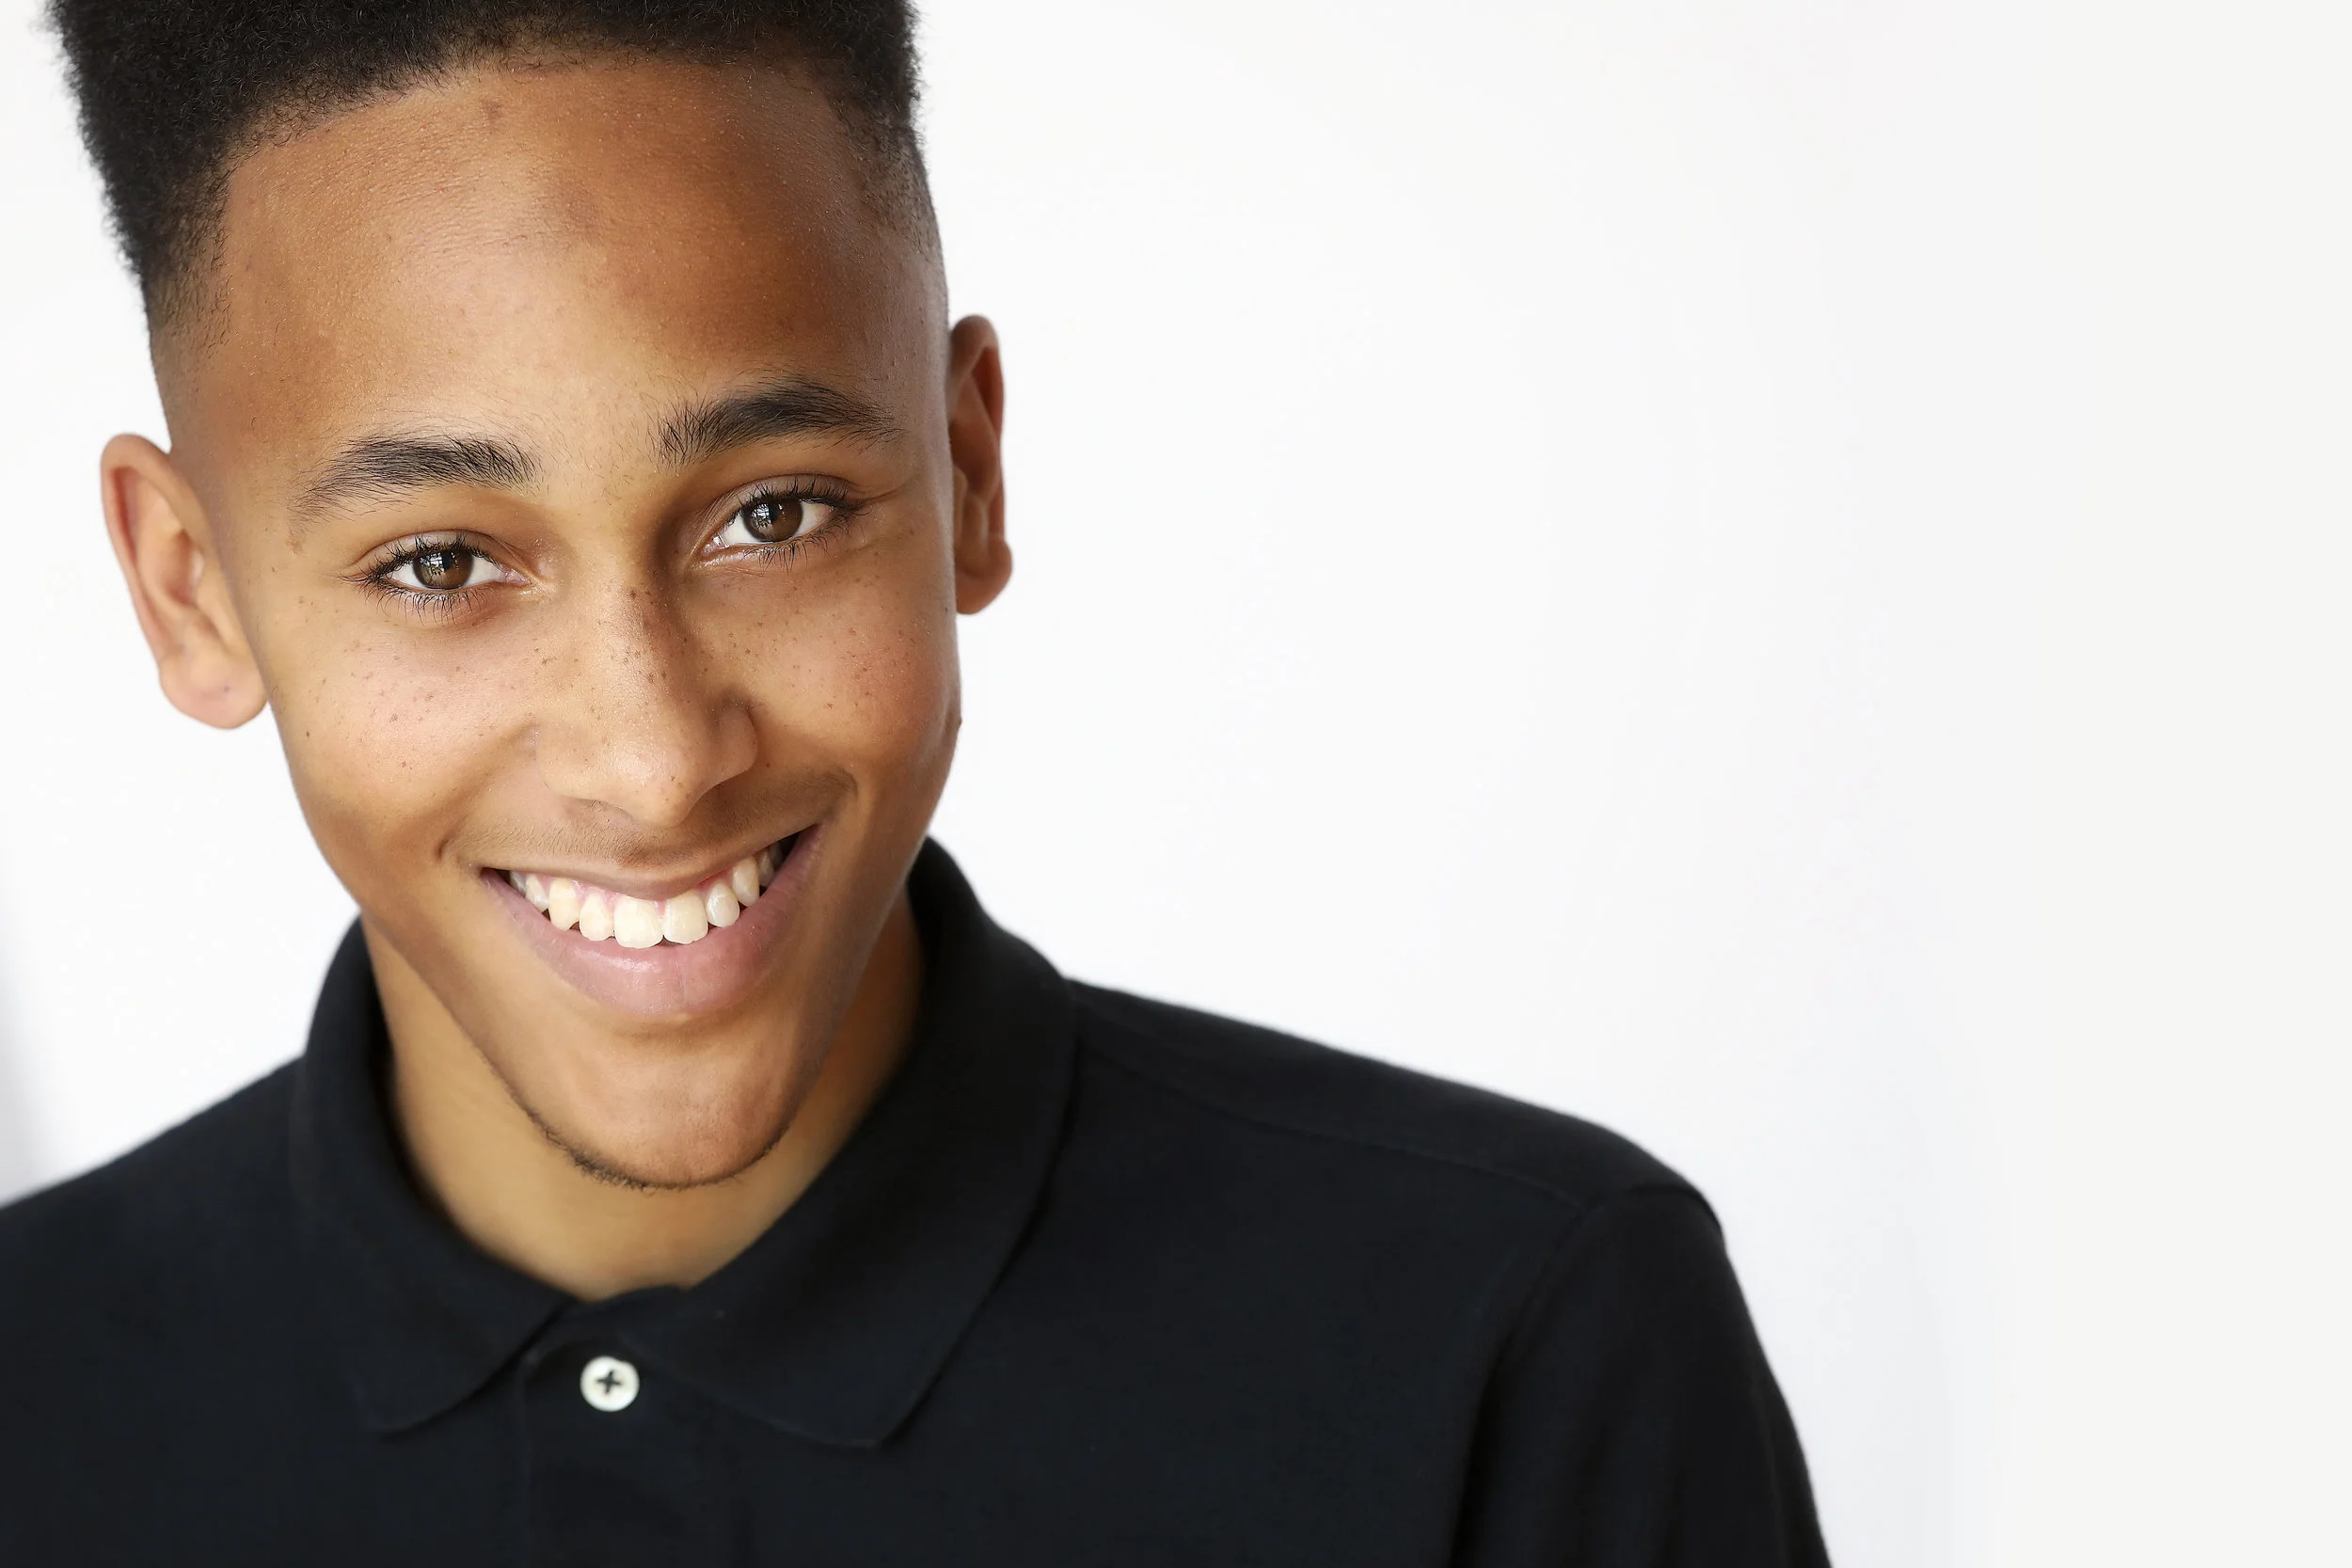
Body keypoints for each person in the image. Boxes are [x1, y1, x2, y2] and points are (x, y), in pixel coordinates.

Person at [0, 3, 1831, 1562]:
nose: (650, 761)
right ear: (191, 585)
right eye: (436, 563)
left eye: (767, 514)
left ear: (968, 467)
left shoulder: (1513, 1351)